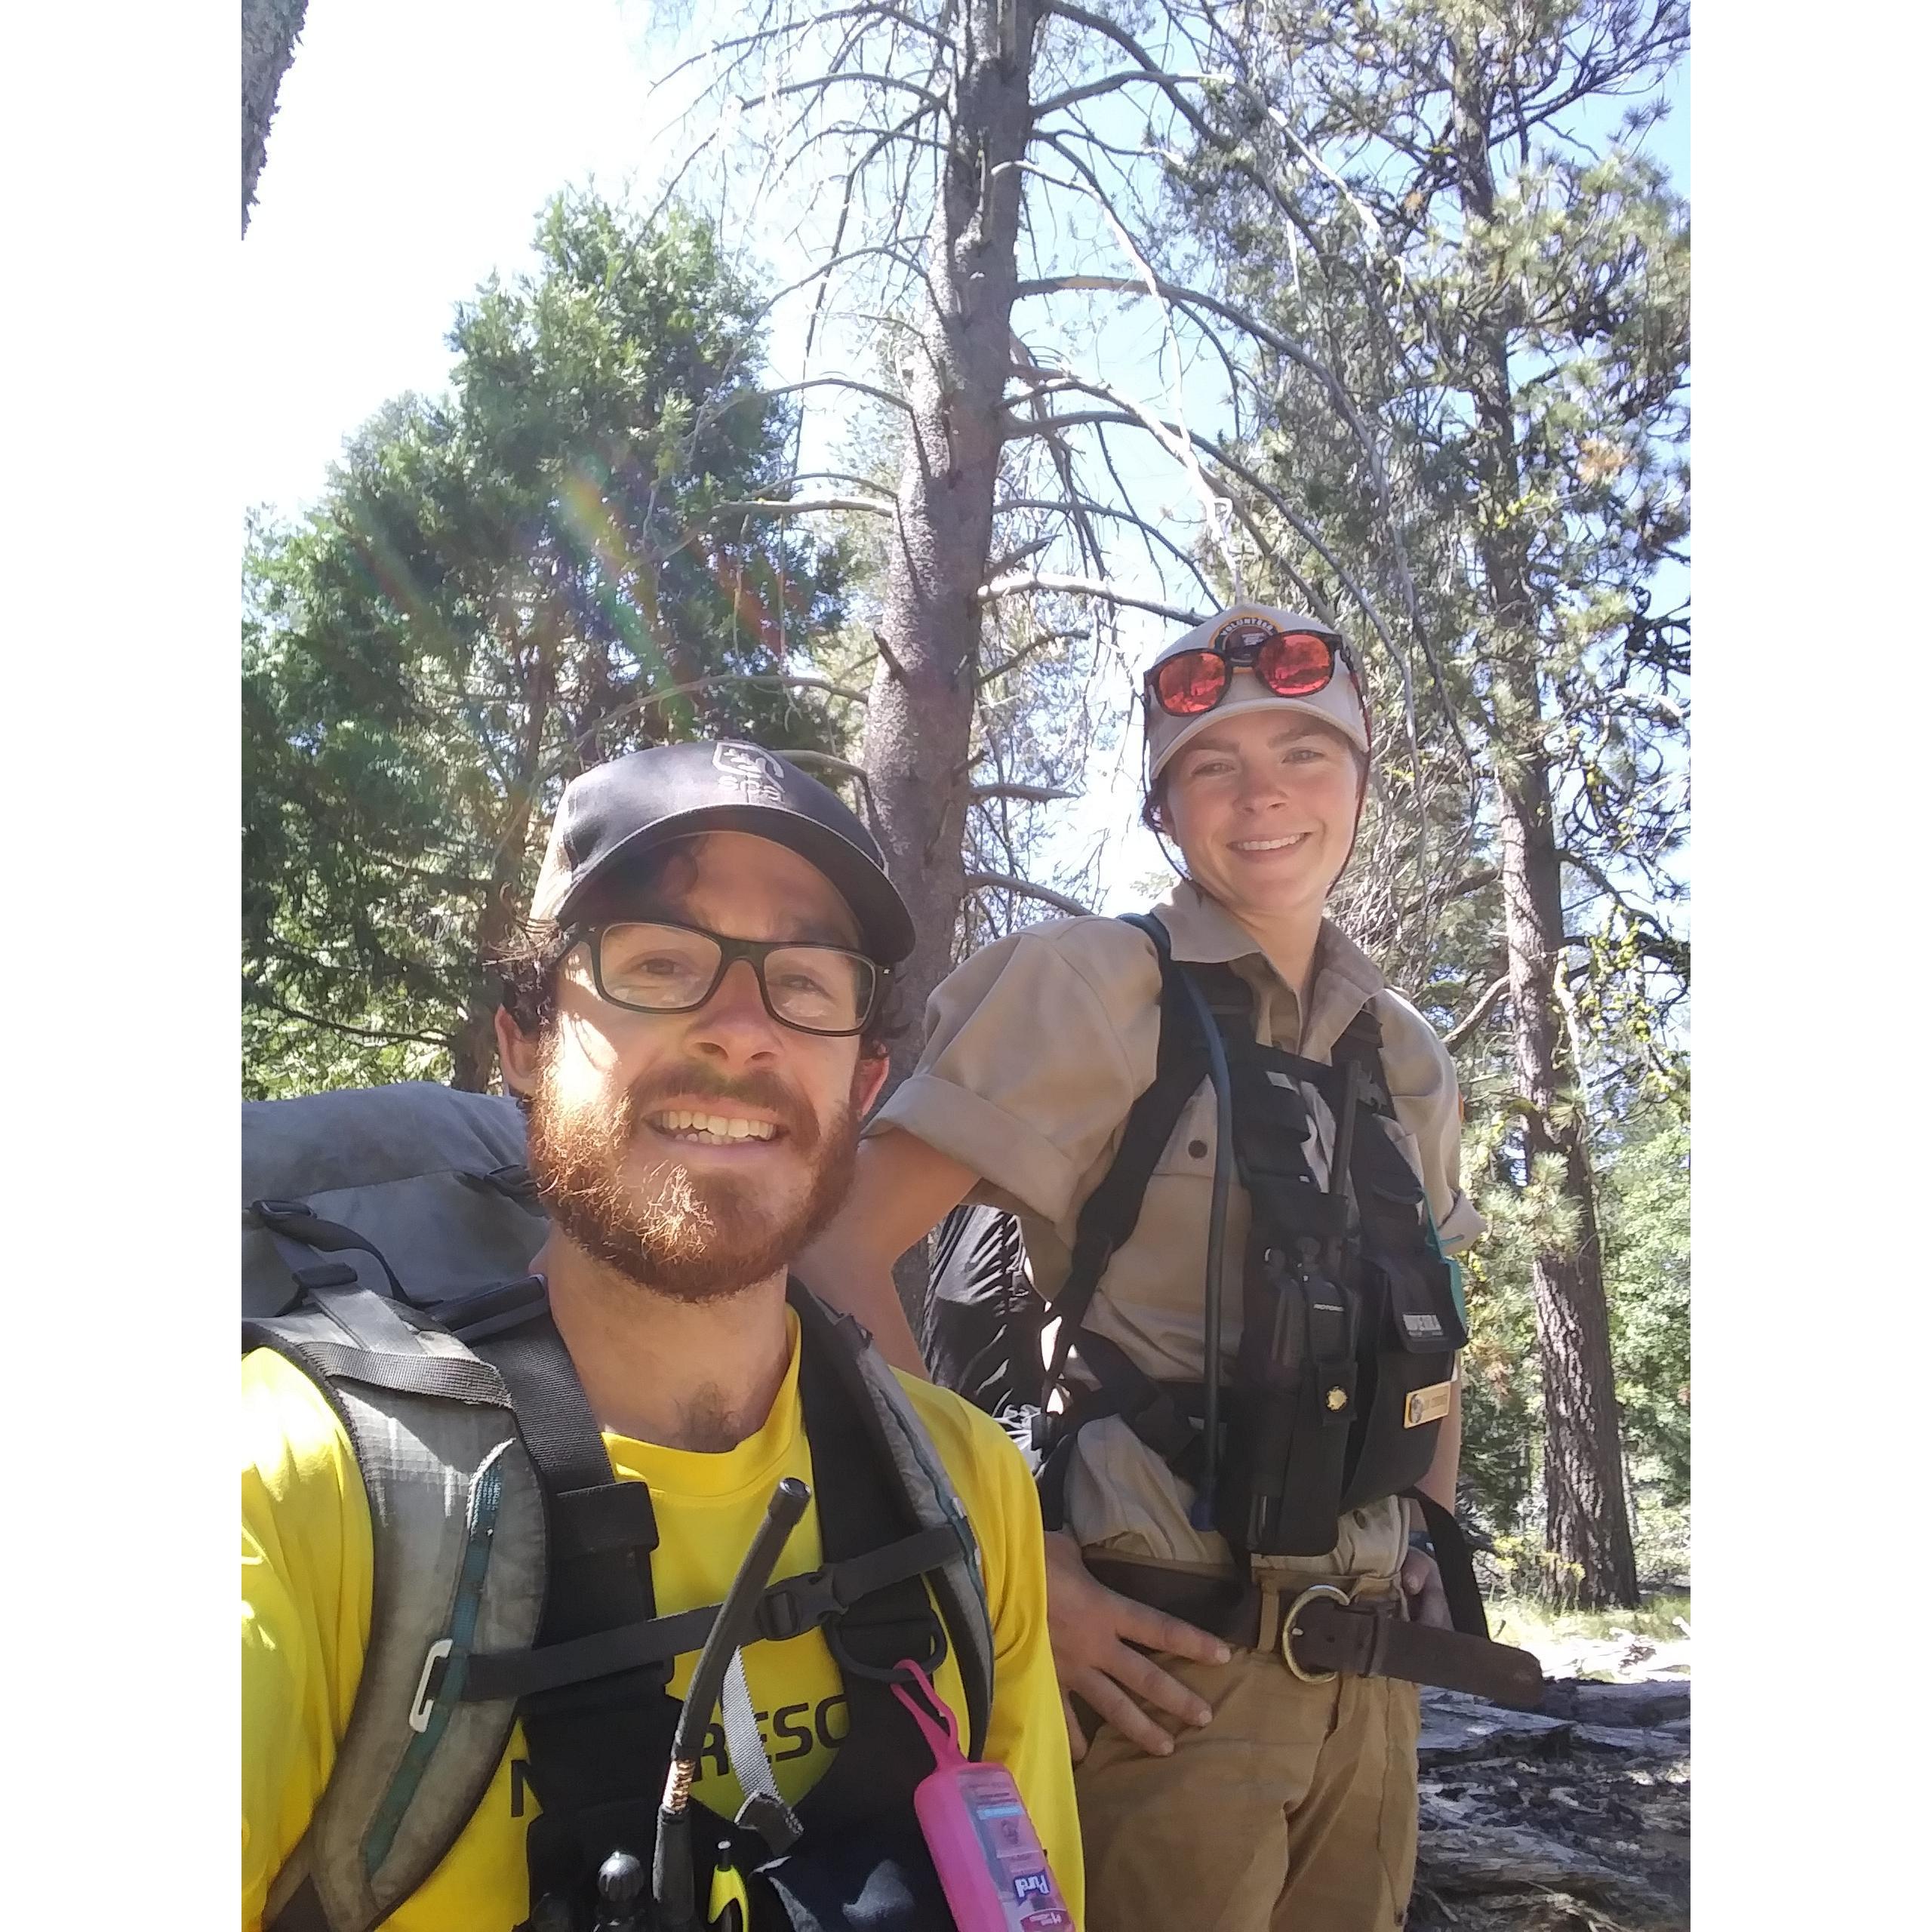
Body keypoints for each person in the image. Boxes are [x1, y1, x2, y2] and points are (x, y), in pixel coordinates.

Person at [242, 739, 1083, 1932]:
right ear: (525, 1043)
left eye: (805, 983)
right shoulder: (298, 1491)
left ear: (865, 1077)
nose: (742, 1031)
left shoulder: (961, 1490)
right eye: (661, 962)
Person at [799, 607, 1488, 1932]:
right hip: (1162, 1680)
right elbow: (834, 1246)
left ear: (1361, 779)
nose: (1265, 793)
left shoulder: (1406, 1056)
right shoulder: (1093, 986)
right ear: (1165, 810)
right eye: (1211, 765)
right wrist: (1012, 1576)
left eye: (1304, 750)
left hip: (1370, 1693)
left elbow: (1431, 1329)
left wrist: (1426, 1541)